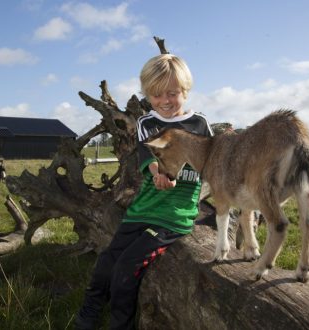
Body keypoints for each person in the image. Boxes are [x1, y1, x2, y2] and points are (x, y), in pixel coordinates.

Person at [74, 53, 213, 330]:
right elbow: (148, 159)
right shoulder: (147, 123)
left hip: (173, 216)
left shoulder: (200, 126)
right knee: (107, 261)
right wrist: (160, 173)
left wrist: (182, 175)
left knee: (126, 268)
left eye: (172, 93)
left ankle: (120, 324)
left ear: (185, 91)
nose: (164, 101)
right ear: (147, 95)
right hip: (142, 210)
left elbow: (206, 167)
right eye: (156, 95)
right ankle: (89, 311)